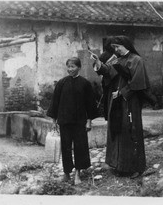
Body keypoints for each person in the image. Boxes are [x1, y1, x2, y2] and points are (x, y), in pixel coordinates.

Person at [91, 35, 150, 178]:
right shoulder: (117, 59)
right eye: (114, 47)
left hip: (130, 102)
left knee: (130, 131)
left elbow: (138, 82)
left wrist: (123, 92)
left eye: (117, 47)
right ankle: (118, 164)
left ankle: (135, 167)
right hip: (116, 100)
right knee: (117, 130)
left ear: (126, 45)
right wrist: (98, 62)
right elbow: (108, 72)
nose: (115, 49)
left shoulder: (137, 60)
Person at [47, 57, 98, 185]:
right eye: (68, 67)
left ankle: (77, 173)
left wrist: (89, 121)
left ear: (79, 67)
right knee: (66, 148)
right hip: (64, 122)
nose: (70, 69)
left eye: (73, 67)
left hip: (80, 122)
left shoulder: (85, 84)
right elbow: (55, 103)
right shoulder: (61, 83)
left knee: (80, 147)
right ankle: (66, 173)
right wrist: (54, 121)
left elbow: (90, 104)